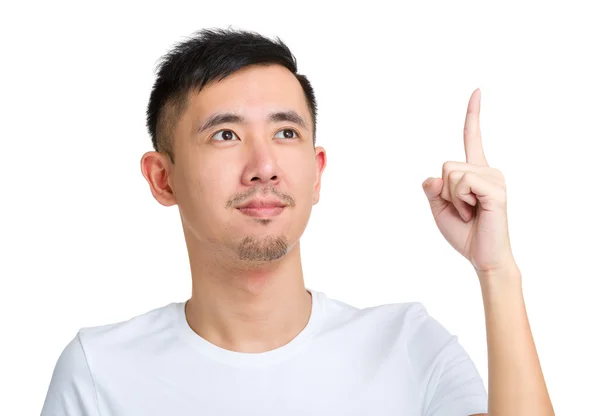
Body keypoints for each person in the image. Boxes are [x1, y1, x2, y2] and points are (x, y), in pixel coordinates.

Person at [40, 28, 554, 415]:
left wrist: (497, 271)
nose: (264, 166)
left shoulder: (409, 347)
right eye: (225, 135)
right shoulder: (99, 371)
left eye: (286, 133)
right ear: (162, 179)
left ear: (316, 172)